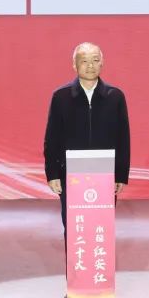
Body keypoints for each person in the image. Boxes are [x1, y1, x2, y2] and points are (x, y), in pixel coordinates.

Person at [43, 42, 131, 234]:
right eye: (84, 61)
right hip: (70, 172)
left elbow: (123, 138)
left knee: (101, 226)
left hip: (105, 172)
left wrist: (121, 174)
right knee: (74, 226)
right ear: (74, 65)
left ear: (102, 64)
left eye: (95, 60)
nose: (90, 65)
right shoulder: (61, 97)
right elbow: (52, 137)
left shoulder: (115, 97)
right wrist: (52, 173)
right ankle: (74, 256)